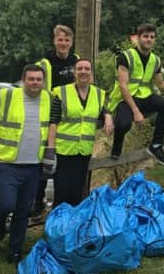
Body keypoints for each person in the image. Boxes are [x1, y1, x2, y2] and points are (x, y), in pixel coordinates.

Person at [0, 64, 52, 264]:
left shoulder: (48, 98)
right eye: (31, 79)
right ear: (23, 80)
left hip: (33, 165)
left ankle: (15, 251)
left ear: (43, 81)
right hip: (9, 162)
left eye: (39, 79)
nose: (35, 83)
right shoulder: (8, 95)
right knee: (5, 205)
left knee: (23, 210)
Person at [108, 24, 164, 166]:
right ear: (138, 38)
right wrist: (136, 112)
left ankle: (156, 145)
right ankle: (117, 144)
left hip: (144, 96)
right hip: (125, 98)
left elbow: (161, 85)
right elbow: (123, 86)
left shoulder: (155, 60)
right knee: (123, 124)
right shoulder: (126, 56)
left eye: (152, 37)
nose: (149, 40)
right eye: (145, 36)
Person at [48, 58, 114, 206]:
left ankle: (74, 225)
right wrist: (50, 149)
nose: (83, 72)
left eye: (87, 69)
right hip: (63, 150)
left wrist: (107, 114)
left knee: (77, 192)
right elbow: (53, 122)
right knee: (61, 193)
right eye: (80, 69)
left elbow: (101, 108)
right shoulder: (62, 92)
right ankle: (57, 226)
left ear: (91, 73)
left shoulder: (98, 94)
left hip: (84, 151)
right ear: (74, 72)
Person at [32, 24, 79, 216]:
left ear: (71, 42)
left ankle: (64, 204)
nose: (63, 43)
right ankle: (38, 202)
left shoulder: (76, 60)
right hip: (49, 113)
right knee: (45, 158)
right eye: (60, 39)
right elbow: (36, 87)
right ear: (54, 41)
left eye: (67, 40)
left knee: (66, 162)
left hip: (70, 116)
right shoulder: (45, 62)